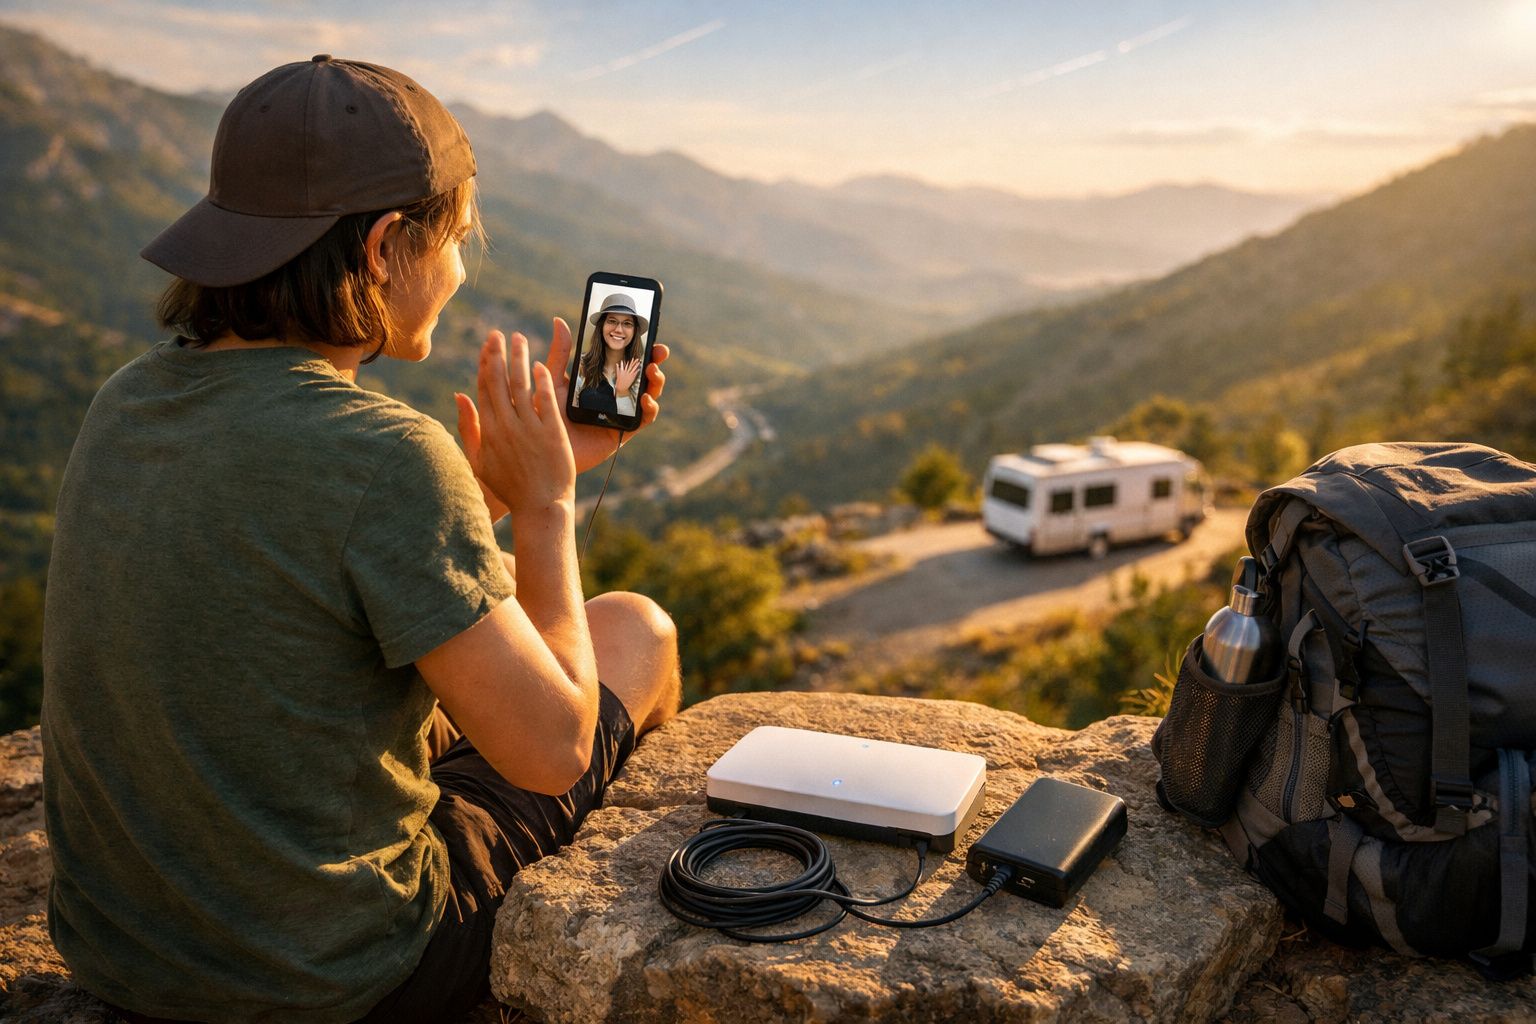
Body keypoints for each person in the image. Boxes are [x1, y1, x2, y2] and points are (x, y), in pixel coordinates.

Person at [40, 55, 679, 1024]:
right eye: (459, 238)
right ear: (385, 247)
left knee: (497, 593)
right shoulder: (385, 455)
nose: (462, 267)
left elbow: (295, 565)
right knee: (637, 629)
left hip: (124, 953)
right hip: (337, 972)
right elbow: (555, 749)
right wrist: (547, 506)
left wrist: (490, 495)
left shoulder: (126, 399)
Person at [575, 294, 648, 417]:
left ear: (635, 330)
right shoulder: (580, 366)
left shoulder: (641, 375)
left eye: (627, 323)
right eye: (612, 321)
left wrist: (623, 392)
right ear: (601, 326)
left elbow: (628, 421)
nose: (619, 329)